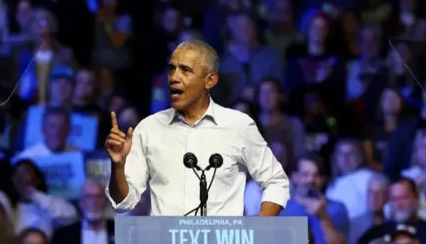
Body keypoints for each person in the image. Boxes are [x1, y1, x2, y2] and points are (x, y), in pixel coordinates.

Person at [105, 40, 289, 216]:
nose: (174, 77)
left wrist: (260, 229)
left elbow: (276, 182)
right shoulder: (148, 129)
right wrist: (118, 166)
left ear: (210, 81)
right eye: (172, 69)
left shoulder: (239, 126)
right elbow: (123, 202)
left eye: (185, 70)